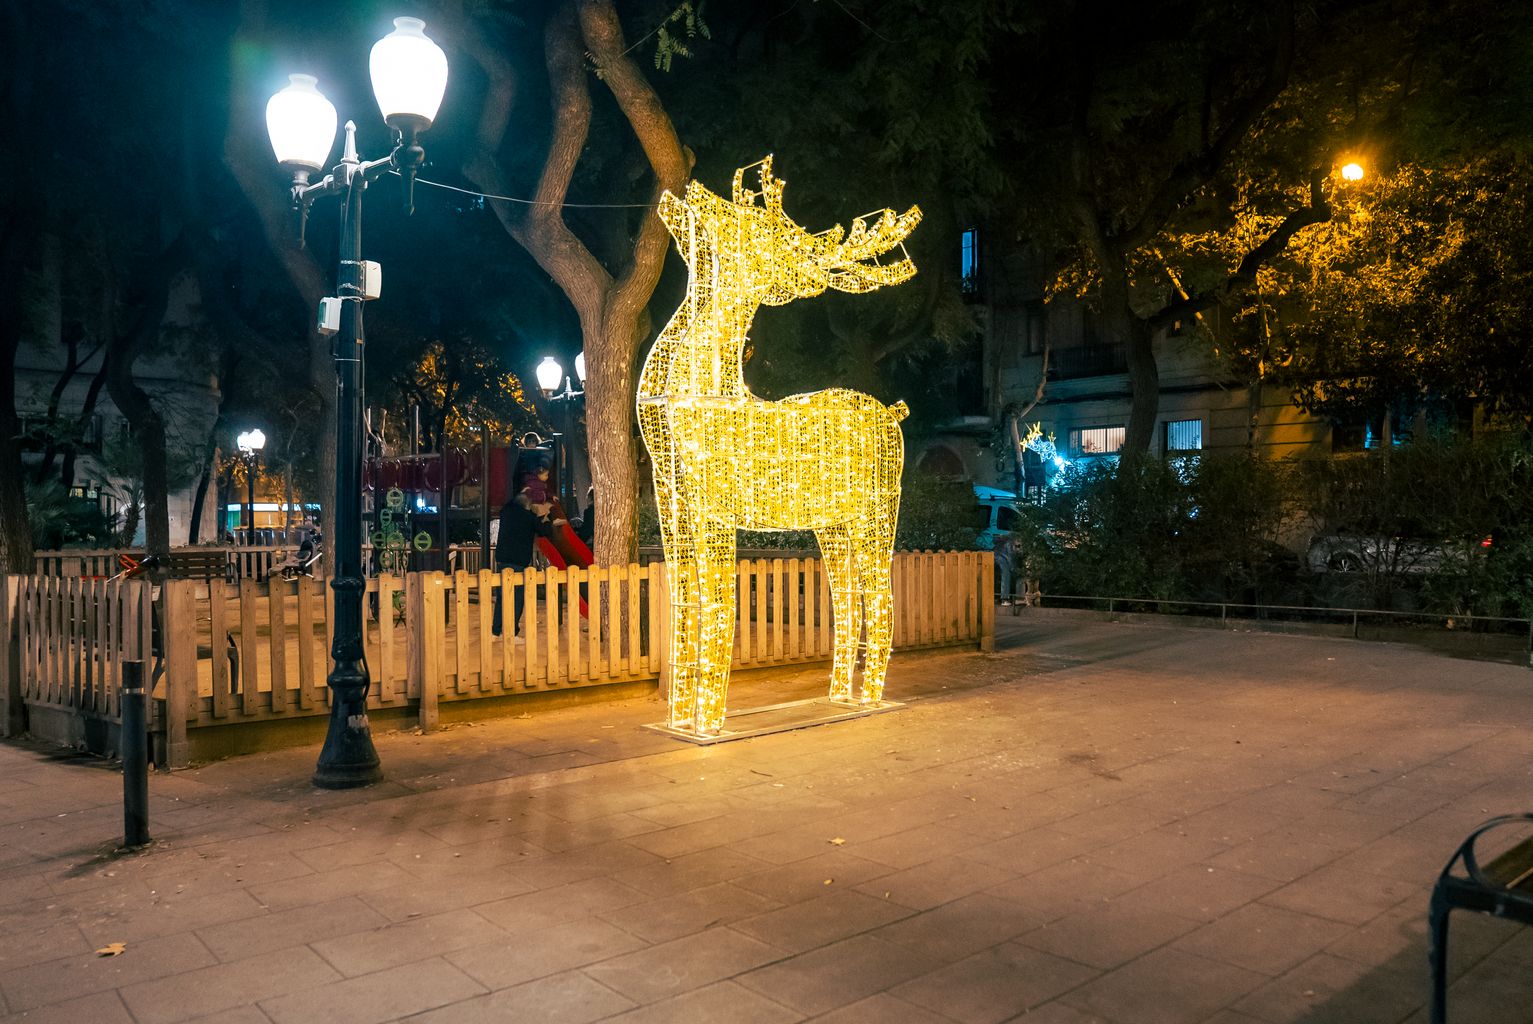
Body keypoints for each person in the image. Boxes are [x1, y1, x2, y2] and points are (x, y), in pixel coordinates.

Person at [493, 466, 556, 638]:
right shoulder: (528, 518)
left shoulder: (506, 513)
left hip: (502, 558)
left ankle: (496, 630)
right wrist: (546, 516)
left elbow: (509, 504)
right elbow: (545, 531)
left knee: (502, 596)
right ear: (527, 505)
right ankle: (512, 632)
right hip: (519, 561)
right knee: (517, 598)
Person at [993, 532, 1016, 605]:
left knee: (994, 577)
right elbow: (1010, 555)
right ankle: (1004, 598)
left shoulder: (998, 540)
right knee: (1006, 575)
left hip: (992, 557)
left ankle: (994, 597)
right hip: (1002, 559)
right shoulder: (1009, 542)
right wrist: (1012, 566)